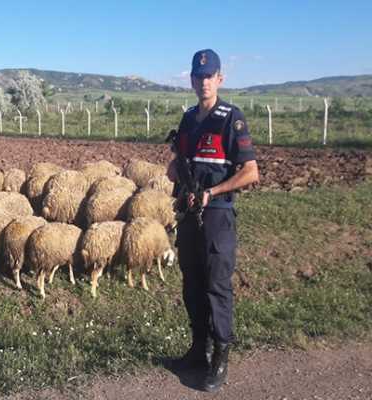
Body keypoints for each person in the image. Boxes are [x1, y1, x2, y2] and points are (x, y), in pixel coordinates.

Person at [167, 49, 259, 392]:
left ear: (220, 78)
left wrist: (214, 191)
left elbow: (250, 172)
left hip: (218, 215)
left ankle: (220, 359)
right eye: (198, 76)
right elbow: (180, 164)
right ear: (191, 80)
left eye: (210, 76)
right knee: (191, 283)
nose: (204, 82)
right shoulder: (189, 119)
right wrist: (175, 170)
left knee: (216, 286)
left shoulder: (230, 118)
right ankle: (197, 349)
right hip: (190, 213)